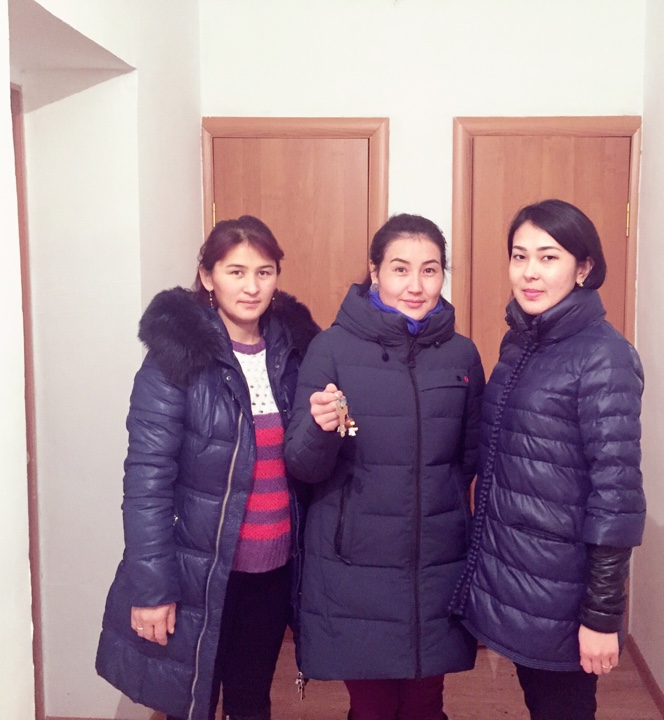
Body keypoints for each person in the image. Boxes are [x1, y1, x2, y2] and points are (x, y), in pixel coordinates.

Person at [95, 215, 319, 720]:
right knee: (188, 705)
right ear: (207, 276)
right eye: (236, 271)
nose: (251, 286)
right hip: (197, 571)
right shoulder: (176, 359)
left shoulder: (295, 353)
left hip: (272, 571)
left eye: (264, 272)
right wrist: (152, 589)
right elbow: (147, 482)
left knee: (251, 702)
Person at [449, 199, 646, 720]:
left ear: (583, 268)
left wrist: (601, 617)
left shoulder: (603, 356)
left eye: (548, 257)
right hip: (524, 578)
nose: (530, 272)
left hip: (564, 591)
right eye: (520, 256)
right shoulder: (522, 341)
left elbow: (617, 498)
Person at [284, 213, 486, 720]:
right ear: (374, 272)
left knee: (425, 703)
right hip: (355, 564)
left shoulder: (462, 355)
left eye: (430, 270)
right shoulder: (331, 349)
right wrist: (320, 428)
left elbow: (467, 460)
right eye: (400, 269)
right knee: (371, 706)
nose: (415, 285)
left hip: (436, 561)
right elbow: (303, 466)